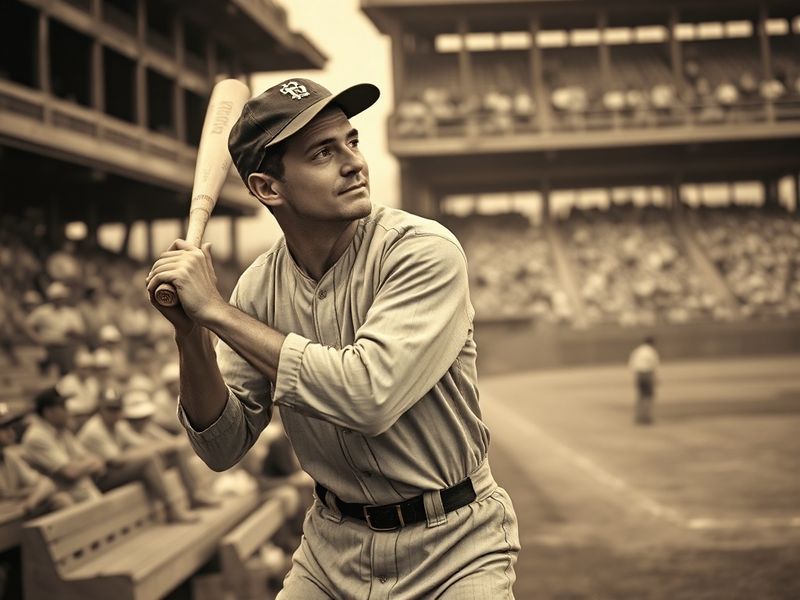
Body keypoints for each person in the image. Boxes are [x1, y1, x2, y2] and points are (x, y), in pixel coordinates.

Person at [146, 77, 519, 599]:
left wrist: (216, 312)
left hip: (454, 545)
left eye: (352, 141)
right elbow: (222, 445)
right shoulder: (257, 287)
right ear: (268, 189)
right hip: (331, 550)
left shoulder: (421, 251)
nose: (353, 162)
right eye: (323, 152)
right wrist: (192, 334)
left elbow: (368, 396)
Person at [77, 388, 200, 522]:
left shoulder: (117, 424)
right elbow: (117, 460)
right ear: (100, 408)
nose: (115, 413)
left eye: (117, 408)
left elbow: (141, 445)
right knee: (148, 460)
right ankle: (172, 509)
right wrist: (154, 450)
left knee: (171, 454)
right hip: (99, 479)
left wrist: (155, 449)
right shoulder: (95, 429)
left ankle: (195, 495)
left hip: (113, 470)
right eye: (110, 409)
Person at [21, 387, 104, 504]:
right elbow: (70, 472)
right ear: (48, 412)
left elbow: (95, 460)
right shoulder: (36, 436)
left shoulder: (62, 430)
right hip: (59, 496)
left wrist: (82, 465)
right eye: (62, 407)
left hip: (81, 490)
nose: (68, 411)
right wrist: (86, 465)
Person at [0, 405, 72, 516]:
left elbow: (47, 484)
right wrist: (21, 494)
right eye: (3, 428)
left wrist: (30, 502)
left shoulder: (8, 457)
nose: (10, 432)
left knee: (60, 500)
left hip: (15, 513)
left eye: (10, 427)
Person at [628, 336, 660, 425]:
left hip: (638, 374)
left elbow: (631, 364)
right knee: (648, 396)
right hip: (647, 374)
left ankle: (638, 417)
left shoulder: (637, 351)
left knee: (640, 396)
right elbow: (654, 365)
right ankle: (646, 417)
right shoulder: (651, 351)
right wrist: (655, 378)